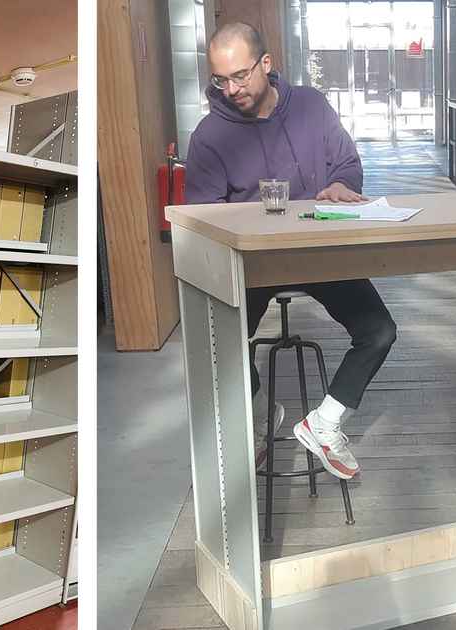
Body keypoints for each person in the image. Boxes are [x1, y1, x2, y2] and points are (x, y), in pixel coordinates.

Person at [183, 22, 397, 480]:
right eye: (220, 80)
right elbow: (203, 218)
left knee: (379, 330)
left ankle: (324, 422)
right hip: (253, 263)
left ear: (266, 63)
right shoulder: (208, 137)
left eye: (240, 76)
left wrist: (342, 184)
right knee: (217, 349)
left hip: (319, 254)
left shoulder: (311, 106)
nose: (231, 89)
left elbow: (346, 162)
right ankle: (263, 414)